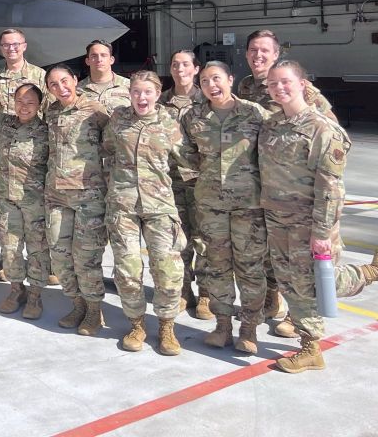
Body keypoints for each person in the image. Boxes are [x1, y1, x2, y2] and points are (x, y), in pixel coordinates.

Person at [259, 60, 378, 373]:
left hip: (308, 222)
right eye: (273, 84)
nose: (279, 88)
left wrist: (322, 231)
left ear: (303, 84)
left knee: (309, 283)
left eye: (285, 82)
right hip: (277, 219)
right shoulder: (272, 125)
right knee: (289, 280)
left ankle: (311, 348)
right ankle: (369, 273)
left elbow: (331, 188)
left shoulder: (322, 130)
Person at [238, 29, 337, 329]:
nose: (258, 56)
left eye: (264, 50)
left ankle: (299, 317)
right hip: (265, 184)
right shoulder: (244, 86)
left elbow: (328, 130)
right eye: (253, 50)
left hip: (299, 190)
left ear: (276, 53)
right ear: (245, 54)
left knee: (302, 262)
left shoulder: (297, 86)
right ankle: (273, 298)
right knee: (269, 251)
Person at [180, 61, 269, 353]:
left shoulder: (255, 113)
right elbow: (186, 154)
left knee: (250, 267)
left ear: (230, 79)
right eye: (204, 81)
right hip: (211, 206)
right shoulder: (193, 116)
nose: (211, 86)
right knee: (216, 266)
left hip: (249, 206)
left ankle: (249, 328)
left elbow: (271, 150)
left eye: (216, 79)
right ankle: (222, 325)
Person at [102, 70, 192, 355]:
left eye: (148, 92)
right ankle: (136, 323)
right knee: (128, 269)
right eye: (136, 92)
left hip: (159, 206)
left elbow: (189, 162)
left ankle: (166, 325)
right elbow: (107, 150)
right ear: (129, 93)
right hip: (123, 206)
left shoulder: (168, 122)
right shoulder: (118, 119)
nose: (142, 97)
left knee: (167, 269)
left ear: (157, 93)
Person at [43, 64, 110, 336]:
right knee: (59, 257)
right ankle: (77, 303)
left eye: (64, 81)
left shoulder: (95, 110)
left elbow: (114, 144)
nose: (61, 88)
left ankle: (94, 310)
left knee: (86, 257)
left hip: (88, 195)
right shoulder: (51, 112)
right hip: (56, 195)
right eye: (54, 85)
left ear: (74, 80)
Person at [0, 84, 50, 320]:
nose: (24, 107)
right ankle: (16, 289)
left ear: (39, 105)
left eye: (30, 102)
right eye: (19, 102)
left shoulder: (46, 131)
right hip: (7, 198)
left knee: (37, 249)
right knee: (9, 246)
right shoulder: (6, 126)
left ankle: (35, 294)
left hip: (35, 201)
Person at [159, 49, 211, 320]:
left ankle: (206, 295)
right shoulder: (160, 101)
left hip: (201, 180)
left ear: (196, 69)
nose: (180, 69)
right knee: (177, 240)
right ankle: (183, 290)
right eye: (175, 64)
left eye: (186, 64)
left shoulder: (207, 100)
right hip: (169, 181)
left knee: (203, 239)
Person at [0, 28, 46, 115]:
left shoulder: (40, 75)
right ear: (1, 49)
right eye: (6, 45)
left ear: (24, 46)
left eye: (16, 44)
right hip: (1, 128)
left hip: (30, 128)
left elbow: (49, 109)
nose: (11, 48)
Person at [79, 39, 130, 109]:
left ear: (111, 60)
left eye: (103, 55)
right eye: (94, 56)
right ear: (87, 61)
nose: (99, 59)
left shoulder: (129, 86)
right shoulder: (78, 89)